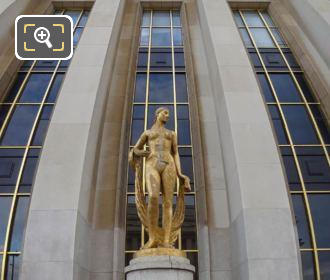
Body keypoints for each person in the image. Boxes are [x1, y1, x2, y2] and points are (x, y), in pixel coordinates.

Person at [131, 107, 191, 249]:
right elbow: (135, 149)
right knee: (152, 197)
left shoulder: (171, 134)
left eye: (168, 114)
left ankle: (165, 241)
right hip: (152, 164)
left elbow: (175, 153)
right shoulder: (148, 133)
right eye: (165, 113)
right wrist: (141, 152)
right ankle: (152, 238)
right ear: (157, 114)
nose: (167, 116)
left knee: (168, 202)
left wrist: (180, 173)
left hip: (168, 164)